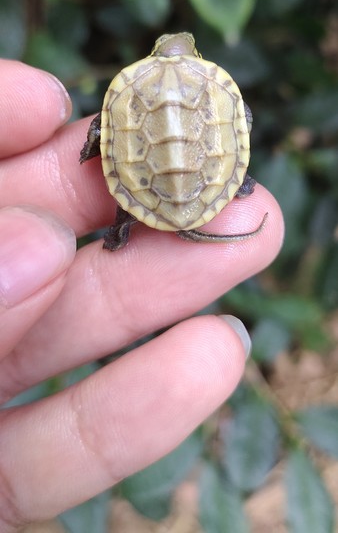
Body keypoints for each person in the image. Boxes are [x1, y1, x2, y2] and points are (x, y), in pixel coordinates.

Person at [0, 58, 284, 530]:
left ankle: (121, 230)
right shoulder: (217, 83)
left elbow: (101, 130)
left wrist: (92, 146)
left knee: (124, 208)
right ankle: (231, 191)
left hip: (144, 185)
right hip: (206, 181)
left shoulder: (127, 85)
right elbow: (241, 120)